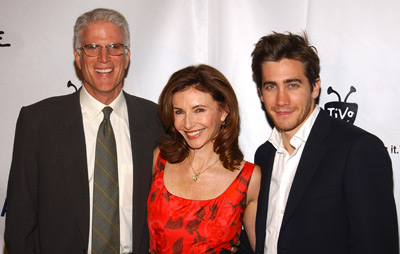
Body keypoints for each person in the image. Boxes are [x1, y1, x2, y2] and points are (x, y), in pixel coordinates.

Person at [5, 8, 164, 254]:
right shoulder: (38, 122)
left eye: (114, 47)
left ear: (127, 56)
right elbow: (19, 224)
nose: (104, 58)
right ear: (78, 57)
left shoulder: (158, 121)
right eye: (92, 47)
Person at [240, 32, 399, 253]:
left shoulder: (358, 150)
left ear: (315, 87)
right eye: (271, 86)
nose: (281, 100)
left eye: (292, 85)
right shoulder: (264, 155)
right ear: (260, 93)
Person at [147, 64, 261, 253]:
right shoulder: (159, 160)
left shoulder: (249, 178)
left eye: (199, 110)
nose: (188, 123)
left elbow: (261, 247)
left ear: (224, 111)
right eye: (179, 112)